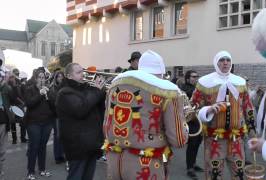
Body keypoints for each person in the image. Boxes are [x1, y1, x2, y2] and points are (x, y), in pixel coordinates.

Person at [103, 50, 189, 179]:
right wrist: (185, 120)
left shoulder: (114, 85)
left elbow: (106, 124)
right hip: (145, 164)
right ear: (161, 71)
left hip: (114, 160)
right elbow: (179, 140)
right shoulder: (168, 91)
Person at [195, 51, 256, 180]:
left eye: (228, 60)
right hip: (214, 140)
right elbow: (193, 108)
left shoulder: (240, 82)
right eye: (222, 60)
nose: (225, 63)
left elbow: (248, 107)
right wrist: (208, 110)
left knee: (239, 173)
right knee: (214, 174)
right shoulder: (204, 82)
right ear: (216, 63)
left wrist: (252, 130)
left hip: (236, 140)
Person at [56, 63, 106, 180]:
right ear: (69, 76)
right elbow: (81, 109)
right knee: (76, 176)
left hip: (91, 143)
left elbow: (98, 109)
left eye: (82, 71)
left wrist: (102, 93)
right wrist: (97, 91)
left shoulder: (87, 89)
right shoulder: (64, 93)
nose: (83, 74)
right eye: (78, 72)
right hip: (77, 146)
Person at [24, 69, 55, 180]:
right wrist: (40, 94)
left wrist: (48, 95)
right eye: (40, 77)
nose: (42, 79)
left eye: (43, 77)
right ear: (36, 78)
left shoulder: (48, 89)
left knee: (43, 147)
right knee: (34, 146)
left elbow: (53, 105)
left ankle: (42, 169)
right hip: (33, 123)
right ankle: (30, 172)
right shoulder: (29, 89)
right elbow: (29, 103)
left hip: (47, 122)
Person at [180, 70, 203, 179]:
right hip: (190, 121)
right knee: (192, 144)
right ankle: (190, 168)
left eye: (197, 76)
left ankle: (193, 163)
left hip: (198, 120)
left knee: (198, 142)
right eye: (194, 76)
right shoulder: (184, 89)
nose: (196, 78)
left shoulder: (196, 89)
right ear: (188, 78)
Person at [49, 71, 66, 164]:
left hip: (64, 115)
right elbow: (53, 103)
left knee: (63, 136)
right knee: (57, 136)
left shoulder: (65, 87)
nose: (60, 78)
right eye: (59, 77)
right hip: (56, 115)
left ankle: (62, 154)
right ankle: (57, 156)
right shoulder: (53, 88)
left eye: (61, 76)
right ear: (55, 78)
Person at [0, 69, 11, 178]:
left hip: (3, 121)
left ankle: (1, 171)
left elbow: (12, 97)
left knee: (2, 150)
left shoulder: (5, 88)